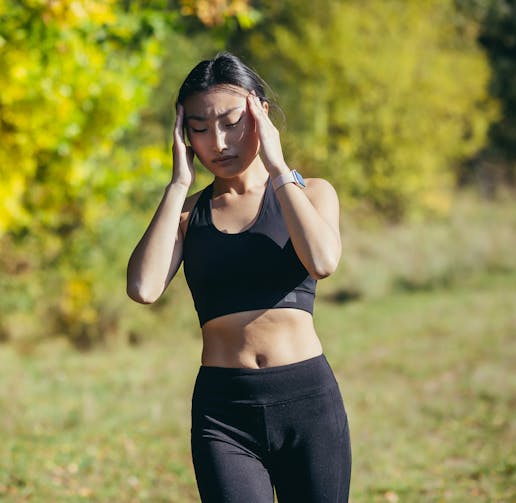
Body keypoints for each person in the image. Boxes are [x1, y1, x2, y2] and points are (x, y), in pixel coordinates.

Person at [126, 52, 351, 502]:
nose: (218, 142)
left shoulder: (312, 193)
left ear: (260, 113)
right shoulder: (189, 214)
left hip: (307, 402)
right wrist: (176, 186)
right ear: (183, 135)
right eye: (200, 129)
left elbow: (323, 261)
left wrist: (277, 165)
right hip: (223, 413)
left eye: (231, 122)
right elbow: (143, 288)